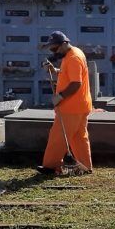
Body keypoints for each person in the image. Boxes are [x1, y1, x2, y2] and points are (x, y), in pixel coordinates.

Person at [39, 31, 93, 175]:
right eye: (51, 48)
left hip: (71, 106)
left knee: (58, 136)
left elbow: (76, 83)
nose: (53, 51)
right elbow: (70, 74)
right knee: (79, 137)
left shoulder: (73, 58)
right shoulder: (73, 53)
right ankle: (85, 166)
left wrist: (60, 96)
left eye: (54, 48)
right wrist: (55, 70)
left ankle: (50, 167)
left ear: (64, 44)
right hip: (81, 105)